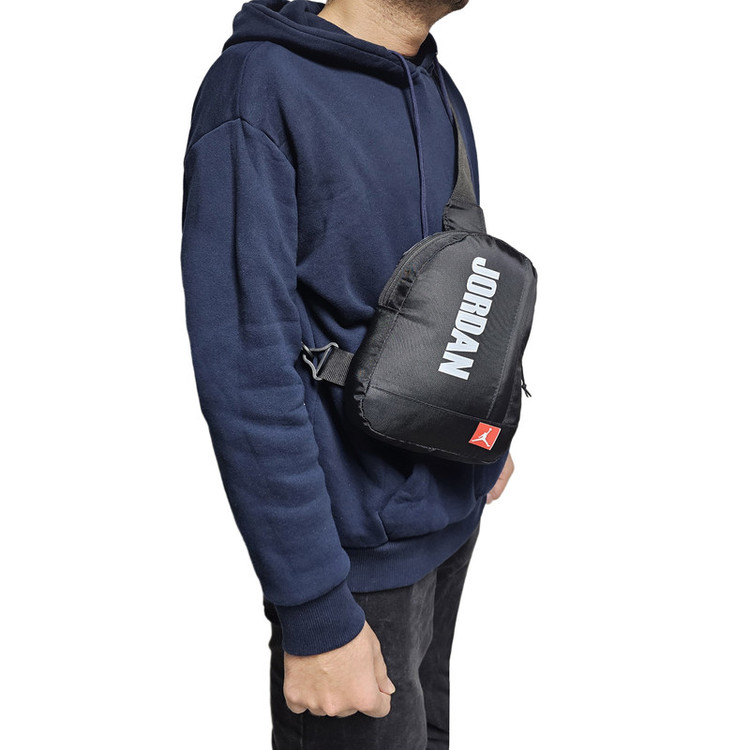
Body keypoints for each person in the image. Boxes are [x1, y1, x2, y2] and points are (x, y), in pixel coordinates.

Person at [181, 0, 515, 746]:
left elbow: (453, 286)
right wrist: (315, 611)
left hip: (449, 525)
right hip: (351, 563)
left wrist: (485, 431)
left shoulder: (434, 84)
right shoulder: (259, 86)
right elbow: (245, 368)